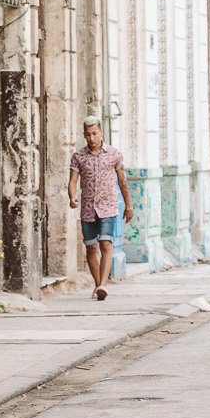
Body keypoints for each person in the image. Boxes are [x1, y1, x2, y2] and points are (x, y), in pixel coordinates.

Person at [68, 119, 132, 300]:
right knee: (90, 248)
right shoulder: (78, 156)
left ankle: (103, 285)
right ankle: (98, 285)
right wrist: (72, 196)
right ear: (84, 135)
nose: (91, 137)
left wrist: (128, 205)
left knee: (106, 244)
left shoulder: (114, 154)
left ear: (101, 133)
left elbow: (122, 181)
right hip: (88, 208)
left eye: (94, 133)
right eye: (88, 134)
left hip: (108, 207)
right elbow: (73, 180)